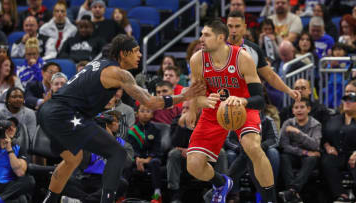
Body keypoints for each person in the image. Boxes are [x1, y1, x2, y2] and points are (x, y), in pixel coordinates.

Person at [37, 34, 204, 203]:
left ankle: (49, 200)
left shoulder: (98, 64)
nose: (140, 55)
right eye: (136, 51)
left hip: (47, 113)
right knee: (117, 153)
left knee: (73, 158)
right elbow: (151, 102)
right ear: (124, 53)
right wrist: (184, 96)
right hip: (64, 115)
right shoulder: (118, 73)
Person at [183, 19, 277, 203]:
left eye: (206, 35)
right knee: (193, 165)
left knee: (253, 148)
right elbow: (196, 96)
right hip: (213, 112)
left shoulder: (242, 58)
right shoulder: (197, 60)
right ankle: (221, 183)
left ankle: (270, 199)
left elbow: (259, 101)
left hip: (242, 107)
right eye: (201, 34)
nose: (201, 38)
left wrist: (242, 100)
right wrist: (199, 104)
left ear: (220, 38)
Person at [226, 11, 300, 104]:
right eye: (230, 26)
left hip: (247, 103)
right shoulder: (215, 48)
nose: (233, 30)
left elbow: (270, 76)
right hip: (222, 102)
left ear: (244, 28)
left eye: (237, 26)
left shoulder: (254, 49)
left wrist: (289, 91)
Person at [278, 98, 322, 203]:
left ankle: (291, 191)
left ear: (309, 109)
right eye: (296, 107)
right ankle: (293, 193)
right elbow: (283, 145)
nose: (299, 110)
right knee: (284, 156)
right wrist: (304, 152)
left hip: (308, 158)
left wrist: (298, 133)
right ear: (292, 111)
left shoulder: (316, 124)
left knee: (312, 158)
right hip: (294, 155)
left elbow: (315, 145)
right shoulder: (287, 123)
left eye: (302, 107)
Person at [321, 80, 356, 203]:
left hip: (354, 155)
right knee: (327, 160)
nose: (347, 98)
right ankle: (342, 196)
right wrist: (327, 146)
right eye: (346, 93)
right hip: (339, 155)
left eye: (351, 94)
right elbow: (324, 138)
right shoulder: (334, 118)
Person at [127, 104, 163, 203]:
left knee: (155, 162)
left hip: (152, 159)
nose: (145, 114)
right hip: (137, 159)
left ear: (152, 114)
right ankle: (122, 195)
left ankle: (157, 195)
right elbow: (131, 148)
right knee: (126, 162)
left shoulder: (156, 130)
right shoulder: (132, 130)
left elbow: (157, 148)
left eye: (148, 111)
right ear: (137, 113)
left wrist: (148, 159)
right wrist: (137, 159)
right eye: (142, 111)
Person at [0, 119, 35, 203]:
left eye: (12, 128)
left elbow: (20, 172)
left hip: (9, 186)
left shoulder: (18, 148)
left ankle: (0, 199)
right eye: (7, 129)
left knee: (29, 180)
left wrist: (9, 150)